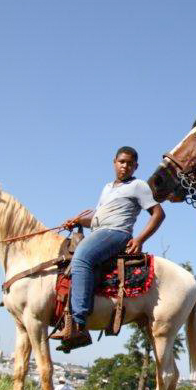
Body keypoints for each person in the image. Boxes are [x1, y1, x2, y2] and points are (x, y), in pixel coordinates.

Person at [56, 146, 165, 348]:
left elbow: (158, 213)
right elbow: (96, 219)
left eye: (130, 164)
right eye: (122, 162)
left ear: (136, 167)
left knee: (82, 258)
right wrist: (77, 221)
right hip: (99, 232)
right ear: (114, 162)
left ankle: (78, 325)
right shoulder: (107, 188)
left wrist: (140, 239)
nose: (125, 166)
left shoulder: (138, 185)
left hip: (116, 233)